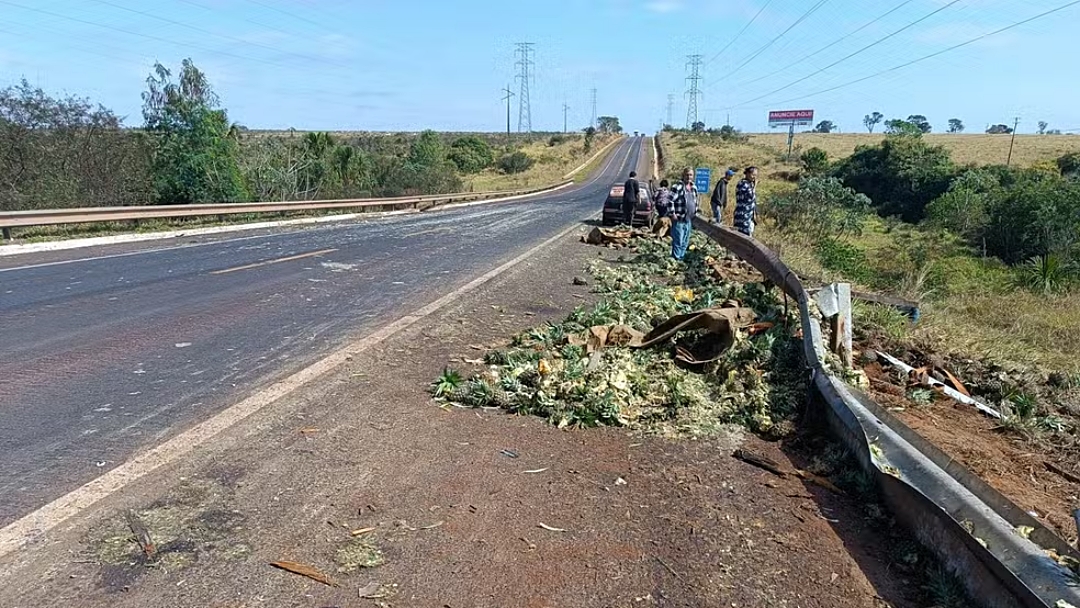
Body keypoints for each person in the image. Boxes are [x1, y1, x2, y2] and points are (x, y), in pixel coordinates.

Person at [670, 167, 698, 260]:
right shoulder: (677, 187)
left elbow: (696, 201)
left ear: (693, 176)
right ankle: (676, 259)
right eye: (687, 175)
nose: (689, 177)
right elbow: (670, 200)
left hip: (688, 219)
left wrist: (695, 211)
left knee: (685, 241)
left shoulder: (694, 187)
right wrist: (672, 213)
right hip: (679, 218)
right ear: (683, 175)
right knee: (678, 240)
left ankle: (681, 258)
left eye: (691, 175)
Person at [733, 166, 759, 237]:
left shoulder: (749, 184)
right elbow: (750, 196)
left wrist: (755, 214)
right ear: (747, 173)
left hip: (748, 216)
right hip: (743, 216)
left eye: (756, 175)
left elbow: (753, 202)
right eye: (753, 175)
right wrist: (755, 186)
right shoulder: (743, 183)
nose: (754, 177)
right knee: (743, 237)